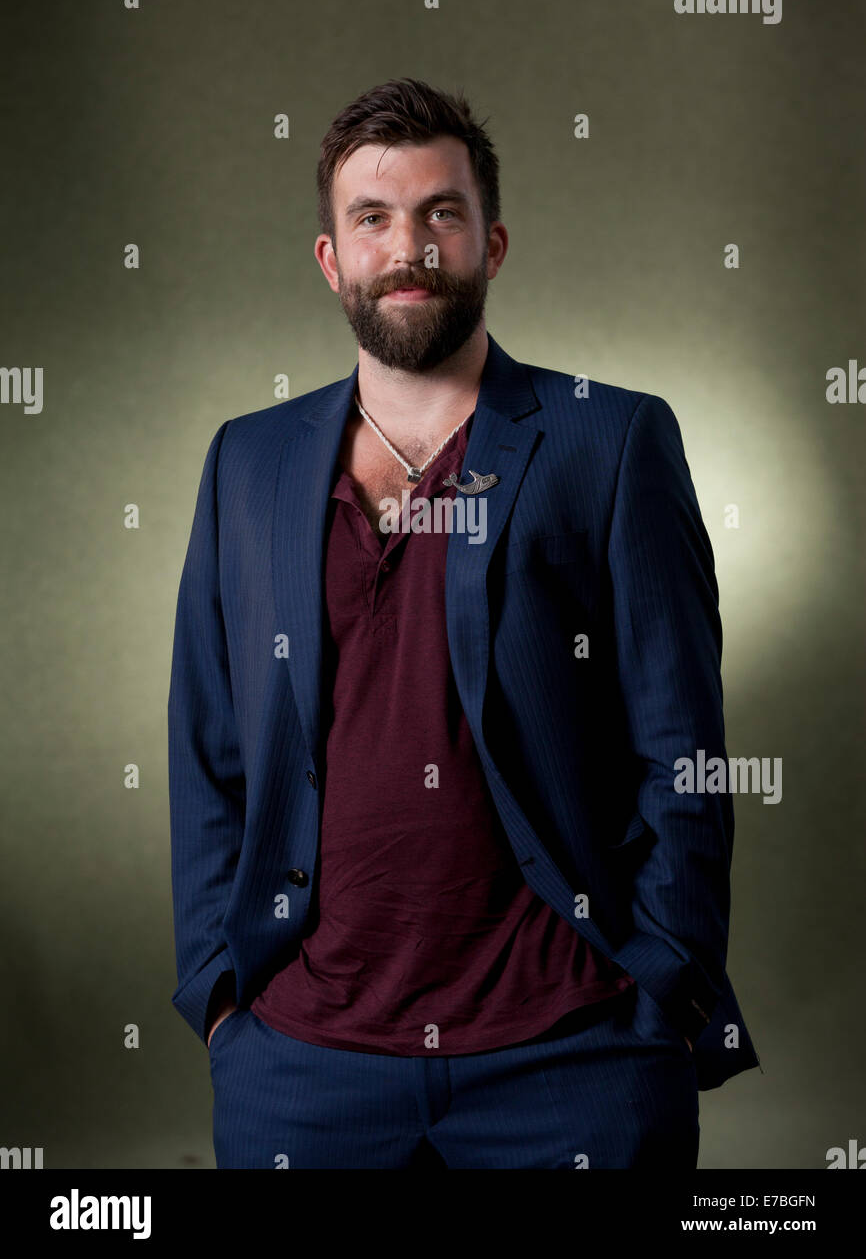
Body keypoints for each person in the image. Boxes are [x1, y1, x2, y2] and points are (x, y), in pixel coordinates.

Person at [168, 77, 760, 1170]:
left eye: (441, 213)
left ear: (491, 244)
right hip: (300, 1061)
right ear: (329, 258)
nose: (410, 247)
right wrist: (218, 993)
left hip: (572, 1050)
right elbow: (208, 751)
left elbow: (684, 746)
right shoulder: (243, 462)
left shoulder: (610, 442)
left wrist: (663, 980)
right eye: (373, 219)